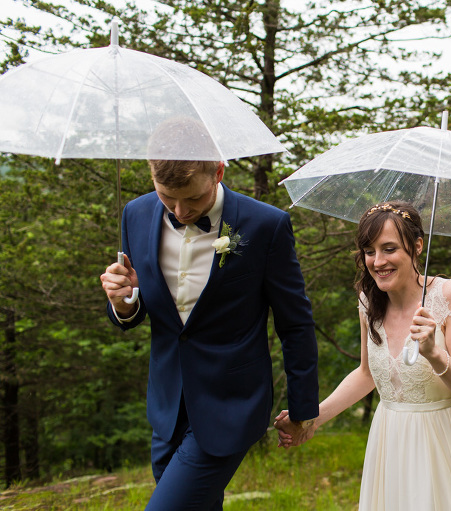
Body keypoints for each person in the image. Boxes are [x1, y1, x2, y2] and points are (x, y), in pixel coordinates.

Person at [100, 121, 319, 510]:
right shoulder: (134, 215)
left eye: (194, 200)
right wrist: (123, 302)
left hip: (231, 404)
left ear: (218, 171)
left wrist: (303, 411)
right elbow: (139, 309)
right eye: (167, 198)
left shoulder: (266, 226)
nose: (181, 212)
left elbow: (295, 323)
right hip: (167, 407)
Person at [275, 200, 451, 510]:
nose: (378, 261)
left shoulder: (449, 296)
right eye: (369, 251)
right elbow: (367, 375)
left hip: (440, 442)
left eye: (389, 249)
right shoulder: (369, 301)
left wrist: (434, 355)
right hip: (388, 440)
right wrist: (311, 418)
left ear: (417, 246)